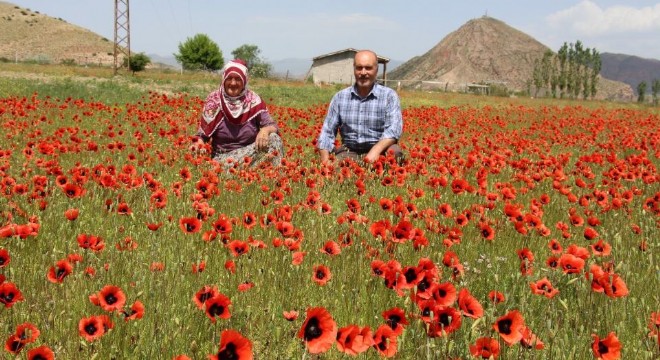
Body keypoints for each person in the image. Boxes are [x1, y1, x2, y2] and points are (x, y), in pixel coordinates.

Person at [191, 59, 283, 169]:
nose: (233, 83)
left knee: (274, 138)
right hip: (223, 160)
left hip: (251, 154)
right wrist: (198, 144)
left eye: (238, 79)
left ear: (244, 81)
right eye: (229, 78)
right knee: (219, 168)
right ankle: (251, 172)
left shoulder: (253, 101)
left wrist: (265, 130)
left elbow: (272, 125)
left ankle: (275, 178)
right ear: (224, 79)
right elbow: (202, 135)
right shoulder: (214, 102)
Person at [316, 50, 403, 164]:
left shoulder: (389, 96)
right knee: (337, 169)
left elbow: (393, 130)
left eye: (368, 68)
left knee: (394, 153)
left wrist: (375, 151)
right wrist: (325, 163)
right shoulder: (340, 97)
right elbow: (327, 132)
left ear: (376, 70)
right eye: (359, 68)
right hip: (349, 150)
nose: (363, 72)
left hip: (381, 149)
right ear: (354, 69)